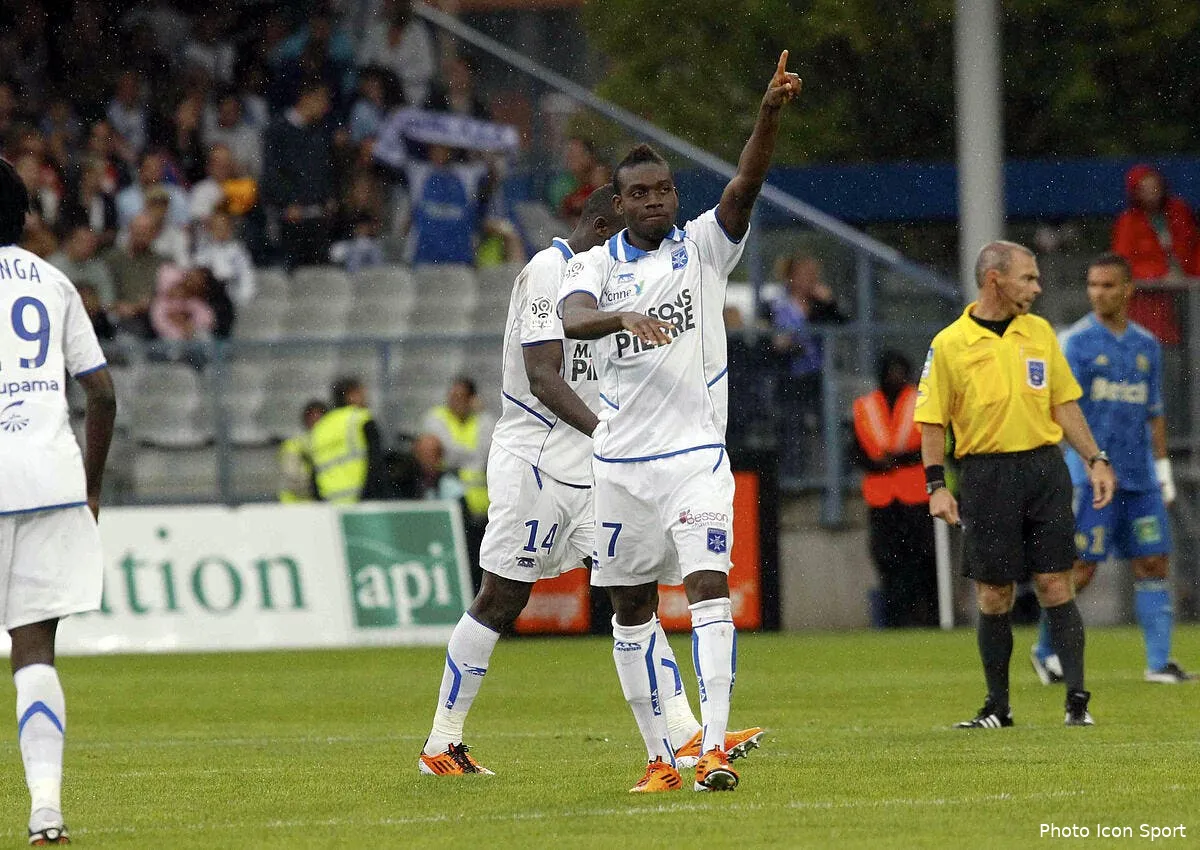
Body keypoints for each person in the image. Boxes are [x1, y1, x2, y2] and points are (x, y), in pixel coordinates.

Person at [418, 186, 763, 778]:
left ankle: (682, 735)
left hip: (595, 463)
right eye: (616, 231)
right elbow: (543, 374)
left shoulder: (615, 275)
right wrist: (607, 429)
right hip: (536, 460)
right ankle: (441, 742)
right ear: (601, 222)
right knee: (502, 596)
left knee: (634, 591)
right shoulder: (549, 271)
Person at [560, 52, 801, 793]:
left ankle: (715, 749)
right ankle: (660, 758)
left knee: (706, 588)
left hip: (695, 457)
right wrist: (617, 318)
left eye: (665, 188)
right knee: (630, 611)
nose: (656, 199)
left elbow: (746, 183)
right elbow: (571, 320)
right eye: (641, 192)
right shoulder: (594, 265)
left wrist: (766, 115)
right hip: (620, 468)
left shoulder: (703, 248)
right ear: (620, 202)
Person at [915, 240, 1117, 730]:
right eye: (1028, 277)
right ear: (994, 279)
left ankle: (1077, 702)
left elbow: (1064, 403)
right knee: (994, 594)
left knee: (1055, 582)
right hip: (985, 475)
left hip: (1044, 470)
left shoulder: (1041, 333)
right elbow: (932, 421)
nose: (1037, 286)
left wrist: (1095, 458)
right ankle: (997, 707)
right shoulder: (949, 344)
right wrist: (936, 486)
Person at [0, 156, 117, 845]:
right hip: (48, 482)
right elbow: (100, 392)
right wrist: (92, 484)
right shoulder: (53, 282)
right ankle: (46, 811)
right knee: (34, 651)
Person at [1031, 254, 1193, 685]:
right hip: (1092, 477)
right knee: (1081, 568)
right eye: (1092, 285)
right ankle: (1045, 651)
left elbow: (1153, 413)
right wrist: (1077, 463)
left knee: (1153, 562)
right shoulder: (1076, 342)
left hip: (1140, 477)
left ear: (1128, 290)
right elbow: (1060, 409)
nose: (1097, 293)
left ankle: (1159, 663)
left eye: (1106, 285)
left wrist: (1163, 473)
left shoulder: (1146, 345)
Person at [851, 351, 937, 628]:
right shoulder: (866, 405)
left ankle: (926, 616)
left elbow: (932, 444)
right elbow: (855, 450)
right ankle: (895, 617)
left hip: (914, 494)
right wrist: (877, 464)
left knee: (922, 559)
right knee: (887, 559)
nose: (894, 377)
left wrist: (897, 460)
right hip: (881, 496)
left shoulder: (919, 400)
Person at [770, 252, 849, 486]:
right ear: (791, 276)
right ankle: (794, 478)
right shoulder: (779, 303)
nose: (810, 280)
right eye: (804, 274)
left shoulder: (819, 304)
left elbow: (841, 323)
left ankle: (837, 477)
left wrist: (829, 302)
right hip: (791, 376)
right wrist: (784, 343)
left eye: (813, 275)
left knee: (829, 423)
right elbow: (772, 337)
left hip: (819, 375)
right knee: (793, 426)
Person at [1111, 164, 1198, 347]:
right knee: (1158, 343)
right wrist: (1159, 275)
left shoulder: (1179, 211)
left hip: (1188, 290)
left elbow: (1192, 247)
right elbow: (1123, 262)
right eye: (1144, 188)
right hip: (1153, 297)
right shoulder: (1128, 221)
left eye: (1155, 187)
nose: (1152, 193)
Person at [309, 376, 389, 503]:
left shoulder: (320, 428)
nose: (365, 397)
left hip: (330, 505)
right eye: (361, 393)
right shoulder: (362, 419)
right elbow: (376, 463)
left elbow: (314, 473)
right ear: (350, 395)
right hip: (360, 502)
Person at [278, 400, 329, 503]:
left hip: (324, 505)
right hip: (297, 507)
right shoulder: (294, 445)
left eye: (320, 417)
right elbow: (293, 480)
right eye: (312, 417)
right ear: (306, 420)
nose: (316, 421)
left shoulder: (333, 443)